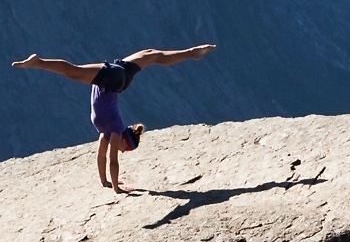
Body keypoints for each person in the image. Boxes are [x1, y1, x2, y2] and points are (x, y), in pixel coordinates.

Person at [12, 45, 217, 192]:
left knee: (152, 54)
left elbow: (101, 157)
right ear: (125, 142)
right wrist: (118, 188)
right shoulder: (116, 131)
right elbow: (112, 162)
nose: (120, 150)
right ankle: (38, 62)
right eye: (124, 149)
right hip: (112, 80)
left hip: (119, 77)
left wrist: (105, 183)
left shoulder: (106, 134)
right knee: (73, 71)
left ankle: (192, 52)